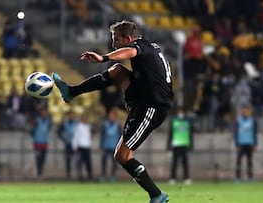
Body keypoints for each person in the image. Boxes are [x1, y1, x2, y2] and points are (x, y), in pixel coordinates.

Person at [52, 20, 173, 202]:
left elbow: (130, 51)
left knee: (122, 155)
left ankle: (157, 195)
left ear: (129, 38)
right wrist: (131, 98)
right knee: (117, 70)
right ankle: (71, 91)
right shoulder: (149, 46)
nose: (114, 42)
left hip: (152, 107)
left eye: (116, 39)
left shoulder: (137, 47)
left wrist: (103, 58)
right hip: (143, 99)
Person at [167, 107, 194, 185]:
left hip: (184, 145)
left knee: (185, 163)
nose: (180, 114)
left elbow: (190, 135)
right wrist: (168, 147)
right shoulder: (174, 121)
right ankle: (172, 178)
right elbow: (170, 134)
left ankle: (186, 178)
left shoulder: (187, 122)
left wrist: (191, 146)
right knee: (174, 163)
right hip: (176, 145)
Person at [234, 104, 258, 183]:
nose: (244, 111)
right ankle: (237, 178)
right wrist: (236, 144)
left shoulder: (252, 121)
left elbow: (254, 133)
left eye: (246, 110)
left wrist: (255, 144)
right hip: (241, 144)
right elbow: (236, 133)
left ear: (249, 111)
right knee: (238, 161)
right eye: (243, 110)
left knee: (249, 162)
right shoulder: (238, 120)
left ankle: (250, 178)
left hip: (249, 143)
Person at [99, 108, 122, 182]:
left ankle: (113, 176)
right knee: (104, 161)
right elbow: (102, 136)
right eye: (111, 115)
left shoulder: (118, 125)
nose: (112, 117)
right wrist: (101, 145)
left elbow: (120, 136)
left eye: (113, 115)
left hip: (115, 147)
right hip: (106, 146)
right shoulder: (105, 125)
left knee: (114, 163)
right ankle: (103, 175)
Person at [31, 108, 52, 178]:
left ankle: (41, 172)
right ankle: (38, 173)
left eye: (46, 113)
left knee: (43, 158)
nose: (45, 114)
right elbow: (32, 129)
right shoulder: (37, 120)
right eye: (44, 112)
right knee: (38, 158)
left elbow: (48, 128)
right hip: (38, 142)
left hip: (45, 142)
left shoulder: (48, 121)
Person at [57, 110, 78, 179]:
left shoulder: (77, 123)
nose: (71, 116)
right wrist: (64, 139)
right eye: (70, 115)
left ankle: (77, 173)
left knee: (77, 159)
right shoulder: (64, 124)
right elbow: (58, 132)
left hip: (76, 145)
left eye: (72, 115)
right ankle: (68, 174)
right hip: (68, 144)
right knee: (68, 159)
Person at [72, 114, 93, 181]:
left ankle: (89, 176)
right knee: (79, 162)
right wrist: (75, 146)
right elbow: (76, 137)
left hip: (87, 147)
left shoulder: (88, 127)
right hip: (81, 146)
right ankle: (80, 176)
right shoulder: (79, 127)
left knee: (88, 163)